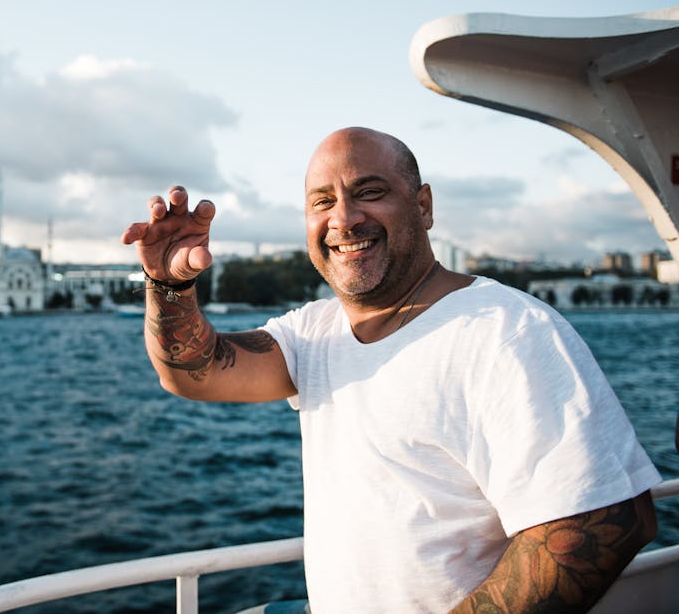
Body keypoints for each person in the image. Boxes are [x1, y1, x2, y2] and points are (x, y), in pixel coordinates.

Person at [121, 127, 661, 613]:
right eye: (322, 201)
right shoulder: (314, 332)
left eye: (370, 192)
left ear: (423, 206)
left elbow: (605, 520)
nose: (344, 218)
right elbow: (197, 371)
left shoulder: (505, 330)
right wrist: (170, 286)